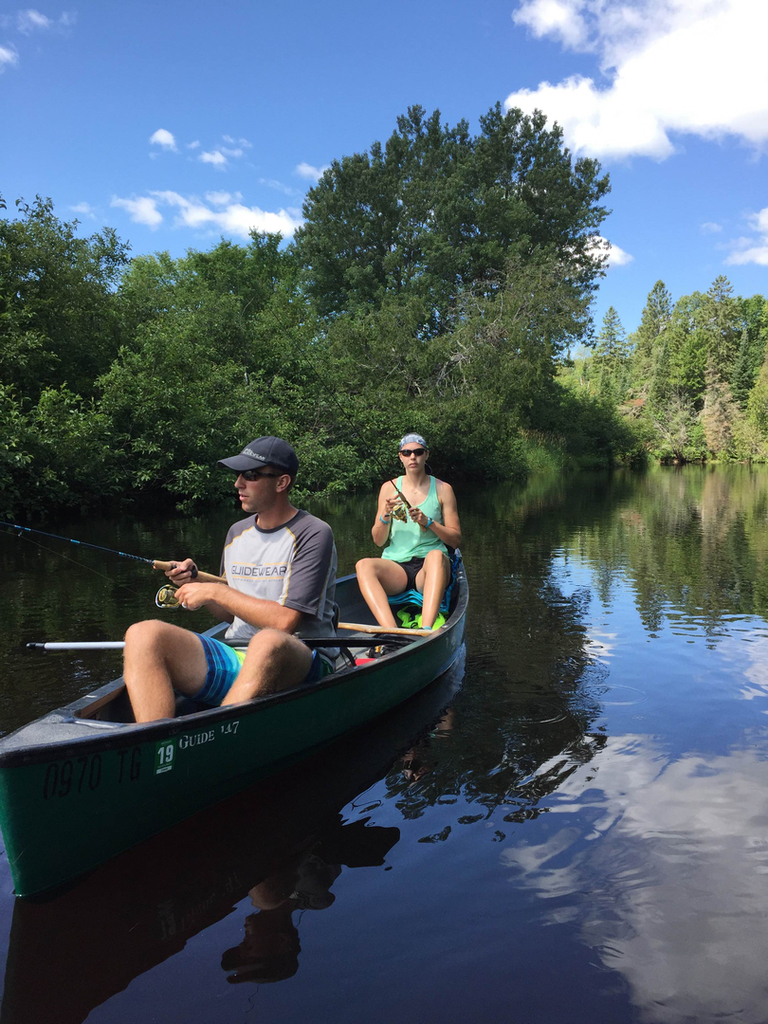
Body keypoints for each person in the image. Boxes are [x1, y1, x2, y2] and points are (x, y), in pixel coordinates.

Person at [123, 436, 338, 723]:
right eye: (238, 475)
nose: (238, 483)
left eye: (250, 475)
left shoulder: (313, 533)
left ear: (281, 482)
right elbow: (231, 615)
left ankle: (221, 732)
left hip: (302, 657)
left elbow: (285, 622)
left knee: (268, 640)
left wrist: (215, 592)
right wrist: (194, 585)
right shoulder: (236, 532)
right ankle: (156, 740)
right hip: (238, 654)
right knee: (142, 634)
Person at [355, 434, 461, 630]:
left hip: (429, 569)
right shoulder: (388, 489)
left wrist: (429, 522)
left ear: (426, 455)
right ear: (400, 457)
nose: (413, 457)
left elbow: (455, 540)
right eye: (407, 452)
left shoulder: (443, 489)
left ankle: (425, 630)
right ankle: (392, 631)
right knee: (363, 565)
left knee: (437, 556)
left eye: (418, 452)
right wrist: (385, 514)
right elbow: (378, 540)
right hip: (397, 568)